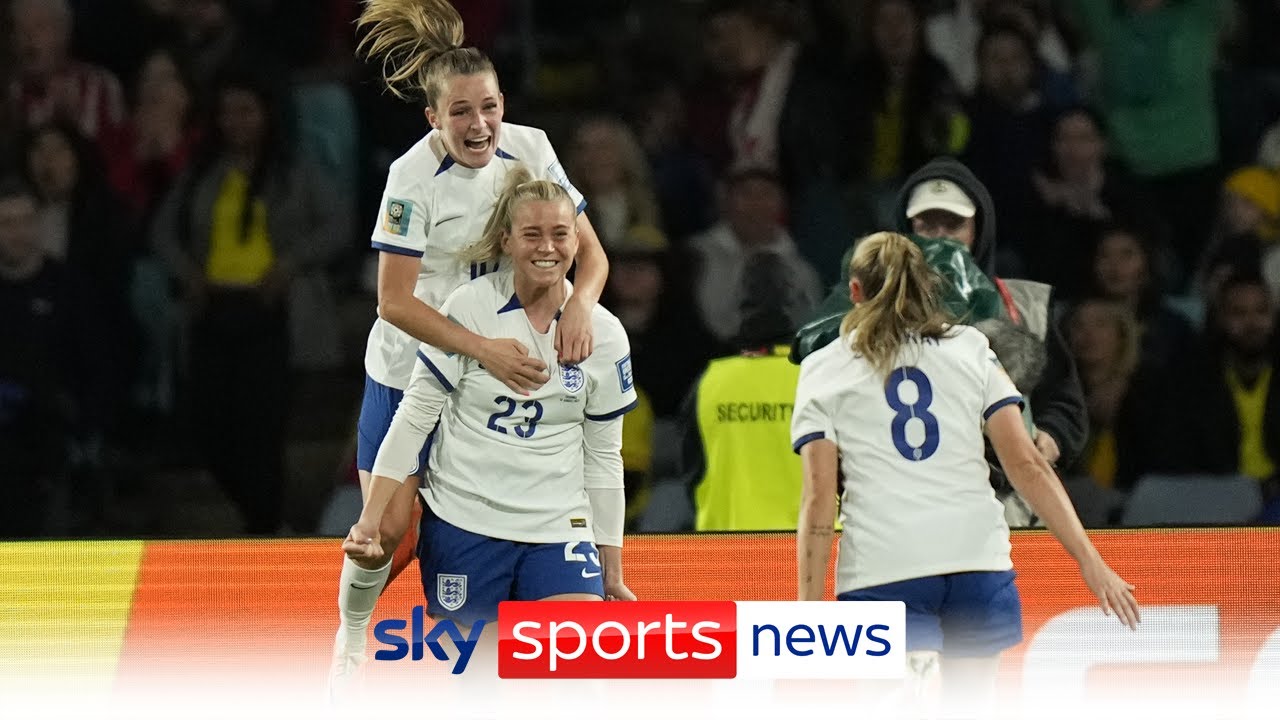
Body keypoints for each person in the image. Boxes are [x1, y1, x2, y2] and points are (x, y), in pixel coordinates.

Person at [330, 0, 610, 690]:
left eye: (487, 107)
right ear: (433, 119)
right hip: (410, 369)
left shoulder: (532, 149)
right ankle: (351, 639)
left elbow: (594, 259)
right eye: (459, 112)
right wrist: (481, 348)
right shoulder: (410, 178)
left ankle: (497, 652)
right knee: (385, 540)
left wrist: (580, 308)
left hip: (495, 379)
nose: (478, 124)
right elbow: (392, 302)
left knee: (484, 519)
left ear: (503, 105)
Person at [793, 231, 1140, 717]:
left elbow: (818, 500)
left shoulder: (823, 369)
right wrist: (1089, 560)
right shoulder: (970, 348)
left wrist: (808, 611)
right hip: (975, 559)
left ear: (854, 292)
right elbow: (1027, 465)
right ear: (926, 287)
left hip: (882, 567)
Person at [344, 168, 636, 629]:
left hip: (558, 527)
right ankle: (351, 636)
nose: (547, 248)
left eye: (560, 234)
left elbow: (604, 454)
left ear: (577, 243)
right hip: (466, 523)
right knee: (481, 687)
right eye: (532, 235)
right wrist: (370, 519)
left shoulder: (606, 334)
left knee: (573, 680)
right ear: (506, 241)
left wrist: (612, 567)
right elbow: (415, 418)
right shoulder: (469, 308)